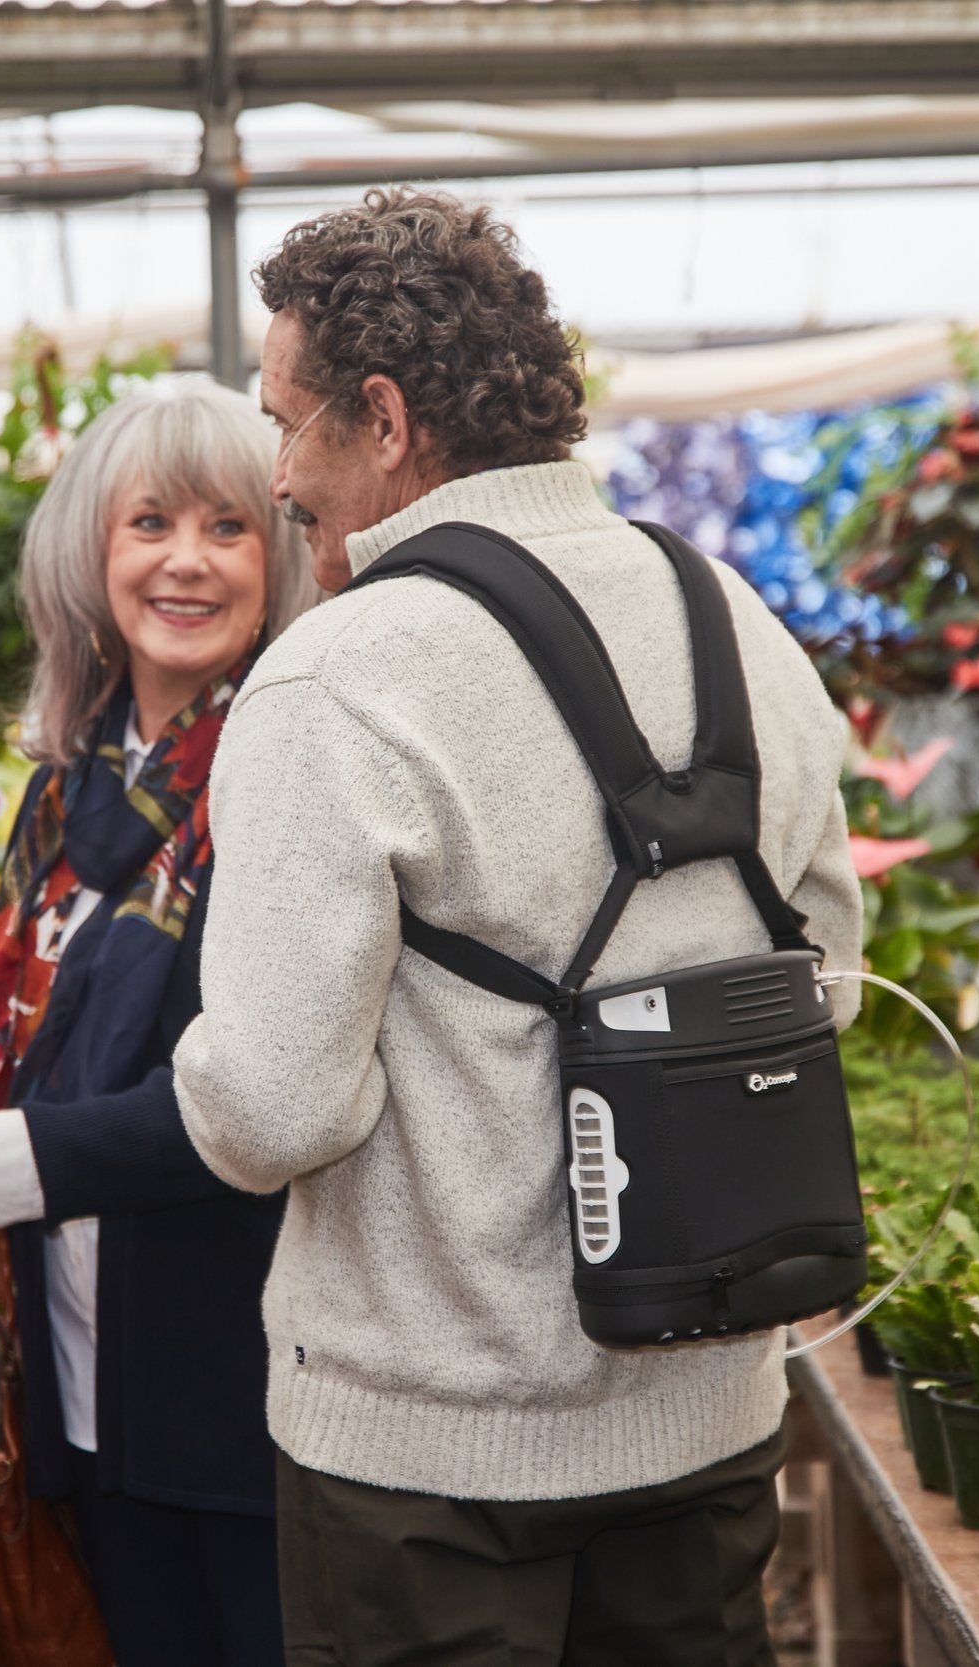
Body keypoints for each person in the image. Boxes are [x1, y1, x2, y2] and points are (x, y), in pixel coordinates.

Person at [168, 191, 865, 1665]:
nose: (280, 475)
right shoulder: (731, 613)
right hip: (710, 1410)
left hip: (429, 1462)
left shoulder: (331, 679)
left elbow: (275, 1110)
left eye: (286, 425)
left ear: (383, 416)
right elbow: (828, 979)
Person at [0, 377, 318, 1667]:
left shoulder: (289, 777)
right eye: (151, 523)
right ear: (95, 556)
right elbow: (18, 1069)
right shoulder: (65, 792)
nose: (186, 562)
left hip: (238, 1405)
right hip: (80, 1395)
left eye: (229, 527)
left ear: (282, 556)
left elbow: (246, 1106)